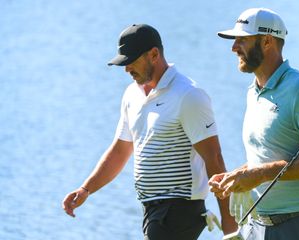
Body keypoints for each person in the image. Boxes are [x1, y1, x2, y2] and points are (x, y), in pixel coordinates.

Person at [62, 24, 237, 240]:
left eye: (131, 61)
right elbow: (120, 149)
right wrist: (86, 189)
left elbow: (214, 159)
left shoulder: (189, 95)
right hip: (151, 209)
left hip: (179, 207)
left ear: (154, 54)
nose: (126, 69)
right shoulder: (131, 94)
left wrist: (230, 225)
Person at [209, 8, 299, 240]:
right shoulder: (253, 91)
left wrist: (260, 174)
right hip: (258, 226)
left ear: (267, 41)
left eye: (242, 40)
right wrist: (238, 176)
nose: (234, 47)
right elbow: (267, 155)